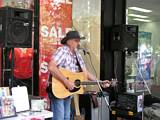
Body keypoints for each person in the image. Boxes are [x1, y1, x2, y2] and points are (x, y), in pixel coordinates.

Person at [48, 30, 110, 120]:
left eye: (79, 40)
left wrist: (99, 82)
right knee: (59, 117)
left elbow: (85, 73)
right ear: (69, 41)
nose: (78, 43)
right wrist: (66, 81)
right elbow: (51, 67)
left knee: (66, 117)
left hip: (67, 90)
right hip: (58, 87)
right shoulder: (62, 51)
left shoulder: (77, 54)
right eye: (76, 40)